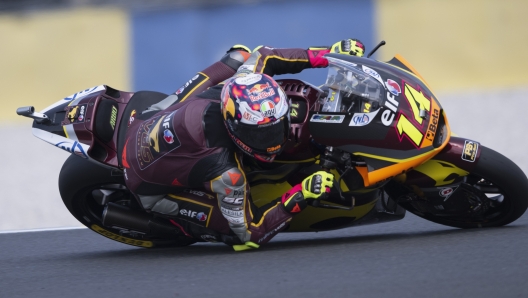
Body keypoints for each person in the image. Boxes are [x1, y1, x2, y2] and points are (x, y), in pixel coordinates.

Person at [121, 39, 366, 251]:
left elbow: (266, 54)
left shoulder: (238, 85)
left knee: (242, 55)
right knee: (235, 234)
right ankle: (190, 227)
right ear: (234, 126)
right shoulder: (227, 174)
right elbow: (251, 233)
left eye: (277, 127)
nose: (274, 142)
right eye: (261, 136)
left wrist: (329, 55)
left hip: (150, 116)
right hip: (144, 182)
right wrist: (300, 195)